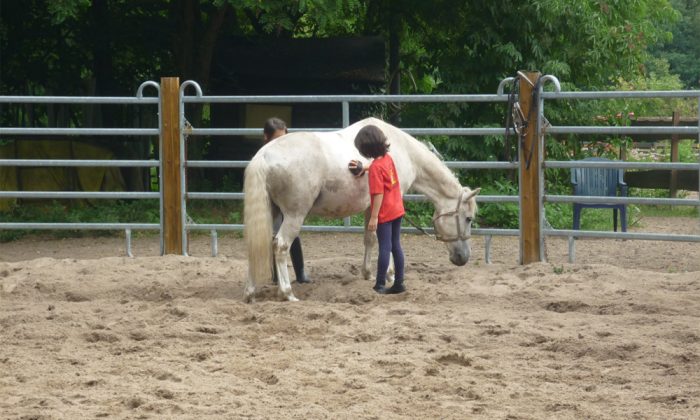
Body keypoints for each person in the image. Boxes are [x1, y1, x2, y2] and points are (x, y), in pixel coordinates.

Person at [348, 125, 406, 294]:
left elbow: (378, 193)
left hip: (385, 213)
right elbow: (379, 168)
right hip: (397, 209)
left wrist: (373, 218)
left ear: (366, 150)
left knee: (384, 248)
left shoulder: (375, 168)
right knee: (396, 246)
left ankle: (380, 284)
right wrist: (364, 168)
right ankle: (399, 282)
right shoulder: (388, 158)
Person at [262, 117, 311, 284]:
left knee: (292, 230)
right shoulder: (264, 157)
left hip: (286, 195)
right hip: (271, 198)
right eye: (277, 139)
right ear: (266, 138)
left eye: (284, 139)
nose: (282, 144)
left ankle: (300, 273)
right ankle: (277, 276)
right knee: (274, 233)